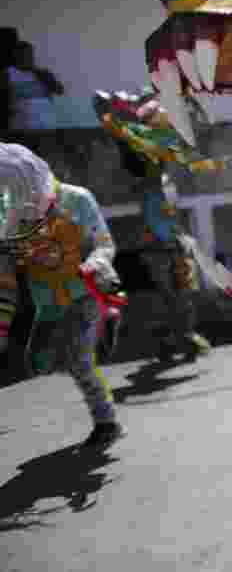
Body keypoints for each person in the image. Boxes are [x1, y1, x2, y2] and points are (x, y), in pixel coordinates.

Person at [0, 143, 124, 446]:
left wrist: (95, 263)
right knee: (37, 365)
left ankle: (106, 420)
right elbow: (4, 277)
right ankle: (95, 332)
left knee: (78, 359)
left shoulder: (78, 199)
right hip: (48, 303)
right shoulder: (5, 216)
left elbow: (105, 244)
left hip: (85, 293)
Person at [100, 90, 212, 363]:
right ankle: (177, 338)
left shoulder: (158, 179)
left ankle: (178, 338)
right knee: (178, 294)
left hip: (166, 243)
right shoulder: (149, 180)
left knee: (179, 294)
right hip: (163, 246)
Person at [6, 41, 64, 131]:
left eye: (29, 54)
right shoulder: (7, 74)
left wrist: (43, 76)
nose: (27, 58)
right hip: (21, 124)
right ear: (16, 56)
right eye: (23, 55)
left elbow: (60, 91)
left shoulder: (43, 73)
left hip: (45, 123)